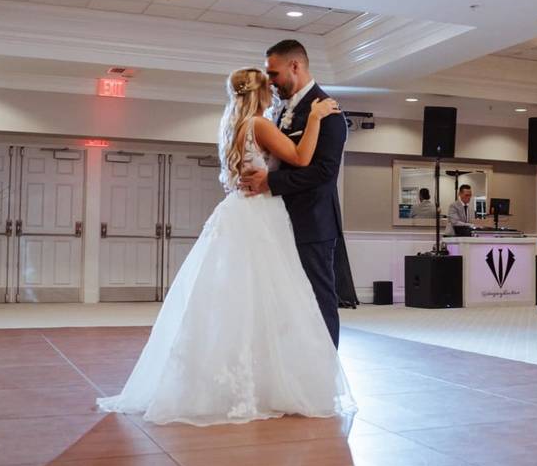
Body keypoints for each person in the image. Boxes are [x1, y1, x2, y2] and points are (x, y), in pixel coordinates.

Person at [97, 68, 354, 426]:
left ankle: (244, 380)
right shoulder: (259, 124)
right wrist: (313, 117)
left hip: (235, 210)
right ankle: (272, 381)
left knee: (238, 299)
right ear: (261, 92)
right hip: (261, 213)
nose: (275, 92)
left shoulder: (228, 124)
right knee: (272, 296)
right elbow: (300, 157)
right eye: (270, 87)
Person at [239, 40, 349, 349]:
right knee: (287, 300)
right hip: (277, 221)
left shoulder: (328, 113)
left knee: (318, 297)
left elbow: (325, 172)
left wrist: (271, 182)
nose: (270, 81)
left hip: (312, 224)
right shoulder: (279, 112)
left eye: (273, 74)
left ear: (295, 67)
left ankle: (325, 370)